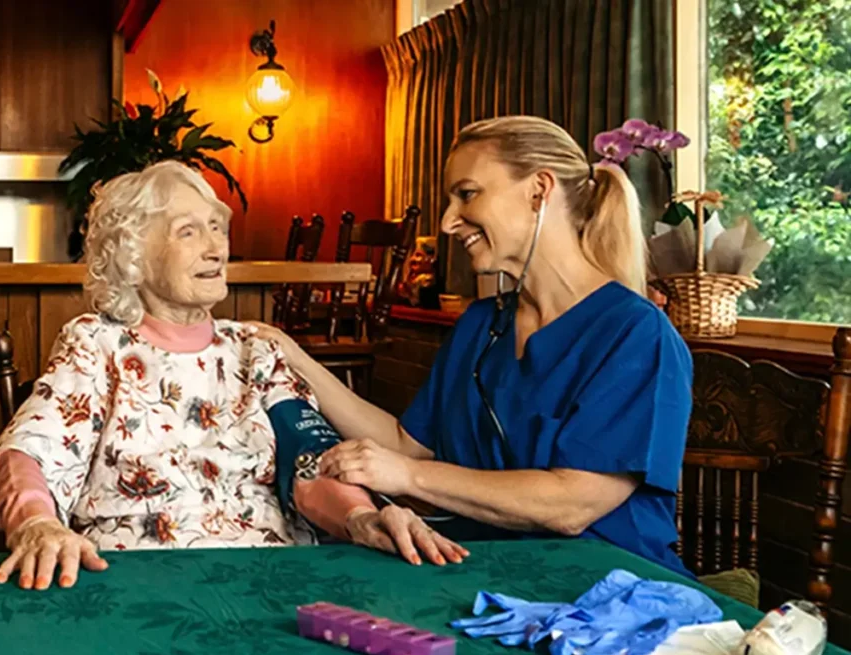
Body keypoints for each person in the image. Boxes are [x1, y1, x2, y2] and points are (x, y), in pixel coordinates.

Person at [0, 160, 467, 591]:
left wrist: (361, 515)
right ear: (132, 257)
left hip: (268, 580)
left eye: (217, 228)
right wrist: (35, 523)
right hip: (133, 583)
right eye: (188, 231)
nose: (217, 247)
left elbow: (310, 461)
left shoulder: (256, 350)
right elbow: (30, 450)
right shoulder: (97, 344)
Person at [257, 116, 693, 575]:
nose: (447, 222)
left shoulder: (636, 334)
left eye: (466, 194)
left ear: (539, 190)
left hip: (609, 595)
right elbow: (409, 444)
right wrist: (294, 356)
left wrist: (408, 477)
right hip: (482, 575)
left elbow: (574, 504)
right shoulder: (483, 324)